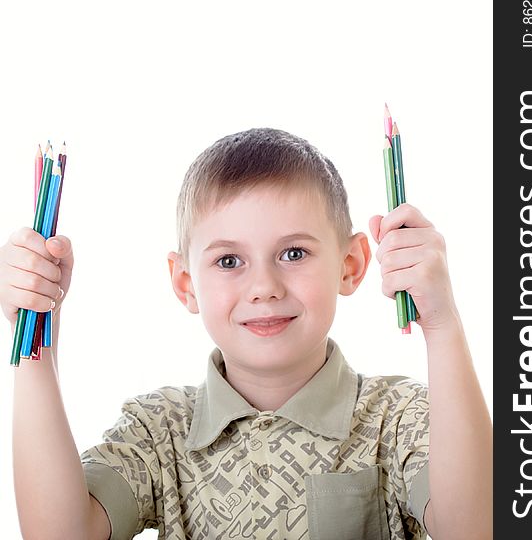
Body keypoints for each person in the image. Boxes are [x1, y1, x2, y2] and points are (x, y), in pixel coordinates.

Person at [1, 128, 492, 540]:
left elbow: (475, 527)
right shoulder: (161, 430)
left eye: (294, 253)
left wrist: (441, 323)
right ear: (185, 284)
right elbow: (58, 532)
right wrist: (36, 340)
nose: (263, 288)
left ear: (351, 265)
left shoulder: (398, 418)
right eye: (229, 261)